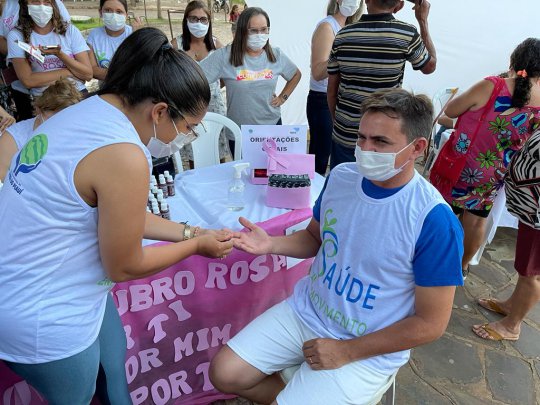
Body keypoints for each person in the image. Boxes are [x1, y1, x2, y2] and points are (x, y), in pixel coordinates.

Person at [0, 27, 234, 404]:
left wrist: (191, 231)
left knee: (113, 368)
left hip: (36, 286)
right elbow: (124, 265)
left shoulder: (88, 110)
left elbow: (123, 217)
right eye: (189, 128)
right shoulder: (123, 153)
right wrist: (197, 247)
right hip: (42, 310)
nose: (186, 138)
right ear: (160, 111)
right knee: (78, 395)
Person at [209, 89, 463, 405]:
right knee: (224, 374)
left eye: (380, 142)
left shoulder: (433, 220)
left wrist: (347, 351)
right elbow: (315, 238)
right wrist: (270, 243)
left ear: (417, 147)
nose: (365, 149)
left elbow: (431, 324)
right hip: (307, 311)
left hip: (366, 347)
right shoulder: (342, 177)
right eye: (361, 137)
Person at [430, 38, 540, 278]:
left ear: (514, 61)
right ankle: (461, 268)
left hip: (461, 165)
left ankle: (431, 260)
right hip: (497, 171)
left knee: (440, 211)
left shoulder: (493, 85)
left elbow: (451, 110)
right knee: (477, 220)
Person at [327, 0, 436, 170]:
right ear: (399, 5)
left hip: (345, 133)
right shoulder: (406, 34)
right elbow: (429, 67)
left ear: (366, 1)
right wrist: (423, 21)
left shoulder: (343, 35)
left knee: (343, 181)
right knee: (379, 186)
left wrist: (340, 123)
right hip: (385, 138)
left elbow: (331, 91)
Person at [199, 6, 301, 150]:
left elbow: (296, 74)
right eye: (253, 30)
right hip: (240, 132)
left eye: (264, 29)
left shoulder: (276, 54)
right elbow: (195, 76)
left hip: (272, 127)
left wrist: (282, 97)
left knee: (271, 165)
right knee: (244, 166)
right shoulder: (225, 55)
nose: (259, 35)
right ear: (242, 31)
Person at [472, 128, 540, 341]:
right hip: (530, 209)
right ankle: (512, 305)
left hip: (537, 214)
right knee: (525, 267)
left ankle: (512, 326)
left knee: (532, 273)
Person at [6, 0, 92, 119]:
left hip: (77, 94)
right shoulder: (16, 36)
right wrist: (68, 72)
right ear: (26, 5)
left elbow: (87, 74)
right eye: (36, 2)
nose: (42, 7)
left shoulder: (70, 31)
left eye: (47, 2)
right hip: (44, 100)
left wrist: (60, 54)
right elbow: (28, 80)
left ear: (54, 6)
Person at [171, 0, 229, 166]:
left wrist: (212, 89)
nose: (198, 23)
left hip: (215, 106)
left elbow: (226, 75)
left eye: (203, 19)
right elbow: (169, 76)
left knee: (218, 150)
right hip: (187, 108)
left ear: (209, 22)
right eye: (194, 19)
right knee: (194, 152)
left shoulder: (216, 44)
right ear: (186, 20)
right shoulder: (176, 45)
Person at [308, 0, 362, 175]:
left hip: (341, 99)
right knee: (320, 157)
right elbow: (317, 72)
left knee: (338, 156)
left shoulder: (350, 27)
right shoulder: (327, 27)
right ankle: (313, 190)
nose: (355, 2)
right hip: (322, 99)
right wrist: (344, 55)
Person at [0, 77, 80, 181]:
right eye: (53, 119)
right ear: (38, 109)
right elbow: (3, 178)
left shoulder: (75, 134)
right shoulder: (14, 137)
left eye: (65, 120)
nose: (59, 124)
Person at [87, 0, 141, 81]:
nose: (113, 16)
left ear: (126, 15)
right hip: (106, 86)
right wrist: (124, 74)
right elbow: (93, 69)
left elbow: (142, 67)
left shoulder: (134, 33)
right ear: (100, 12)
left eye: (119, 12)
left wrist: (138, 36)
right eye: (108, 10)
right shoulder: (94, 35)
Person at [0, 0, 70, 55]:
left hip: (52, 61)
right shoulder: (9, 3)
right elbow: (1, 38)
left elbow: (68, 37)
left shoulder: (54, 3)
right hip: (16, 62)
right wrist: (19, 53)